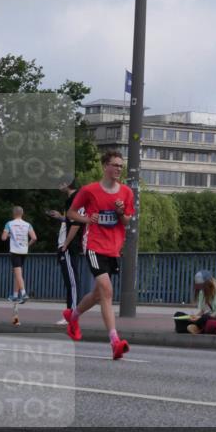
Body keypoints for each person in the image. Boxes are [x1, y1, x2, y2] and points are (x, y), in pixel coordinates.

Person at [63, 150, 135, 360]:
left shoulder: (126, 193)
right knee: (107, 290)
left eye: (121, 166)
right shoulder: (89, 190)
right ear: (105, 166)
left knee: (98, 295)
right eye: (115, 165)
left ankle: (73, 316)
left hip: (114, 248)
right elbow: (71, 214)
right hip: (94, 245)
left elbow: (127, 222)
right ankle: (114, 342)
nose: (118, 169)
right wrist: (88, 220)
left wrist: (121, 212)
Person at [48, 181, 83, 317]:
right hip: (65, 244)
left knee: (72, 282)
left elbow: (76, 223)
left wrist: (66, 244)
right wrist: (61, 217)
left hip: (68, 245)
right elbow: (71, 221)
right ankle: (70, 312)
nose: (58, 185)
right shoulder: (71, 199)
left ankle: (73, 314)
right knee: (69, 281)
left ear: (68, 184)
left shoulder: (76, 199)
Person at [1, 206, 36, 303]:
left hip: (15, 251)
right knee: (18, 273)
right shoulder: (27, 224)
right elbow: (34, 237)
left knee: (18, 273)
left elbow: (3, 238)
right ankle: (15, 295)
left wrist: (10, 235)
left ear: (13, 214)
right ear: (22, 213)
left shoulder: (9, 224)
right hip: (24, 251)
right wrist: (27, 245)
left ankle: (24, 293)